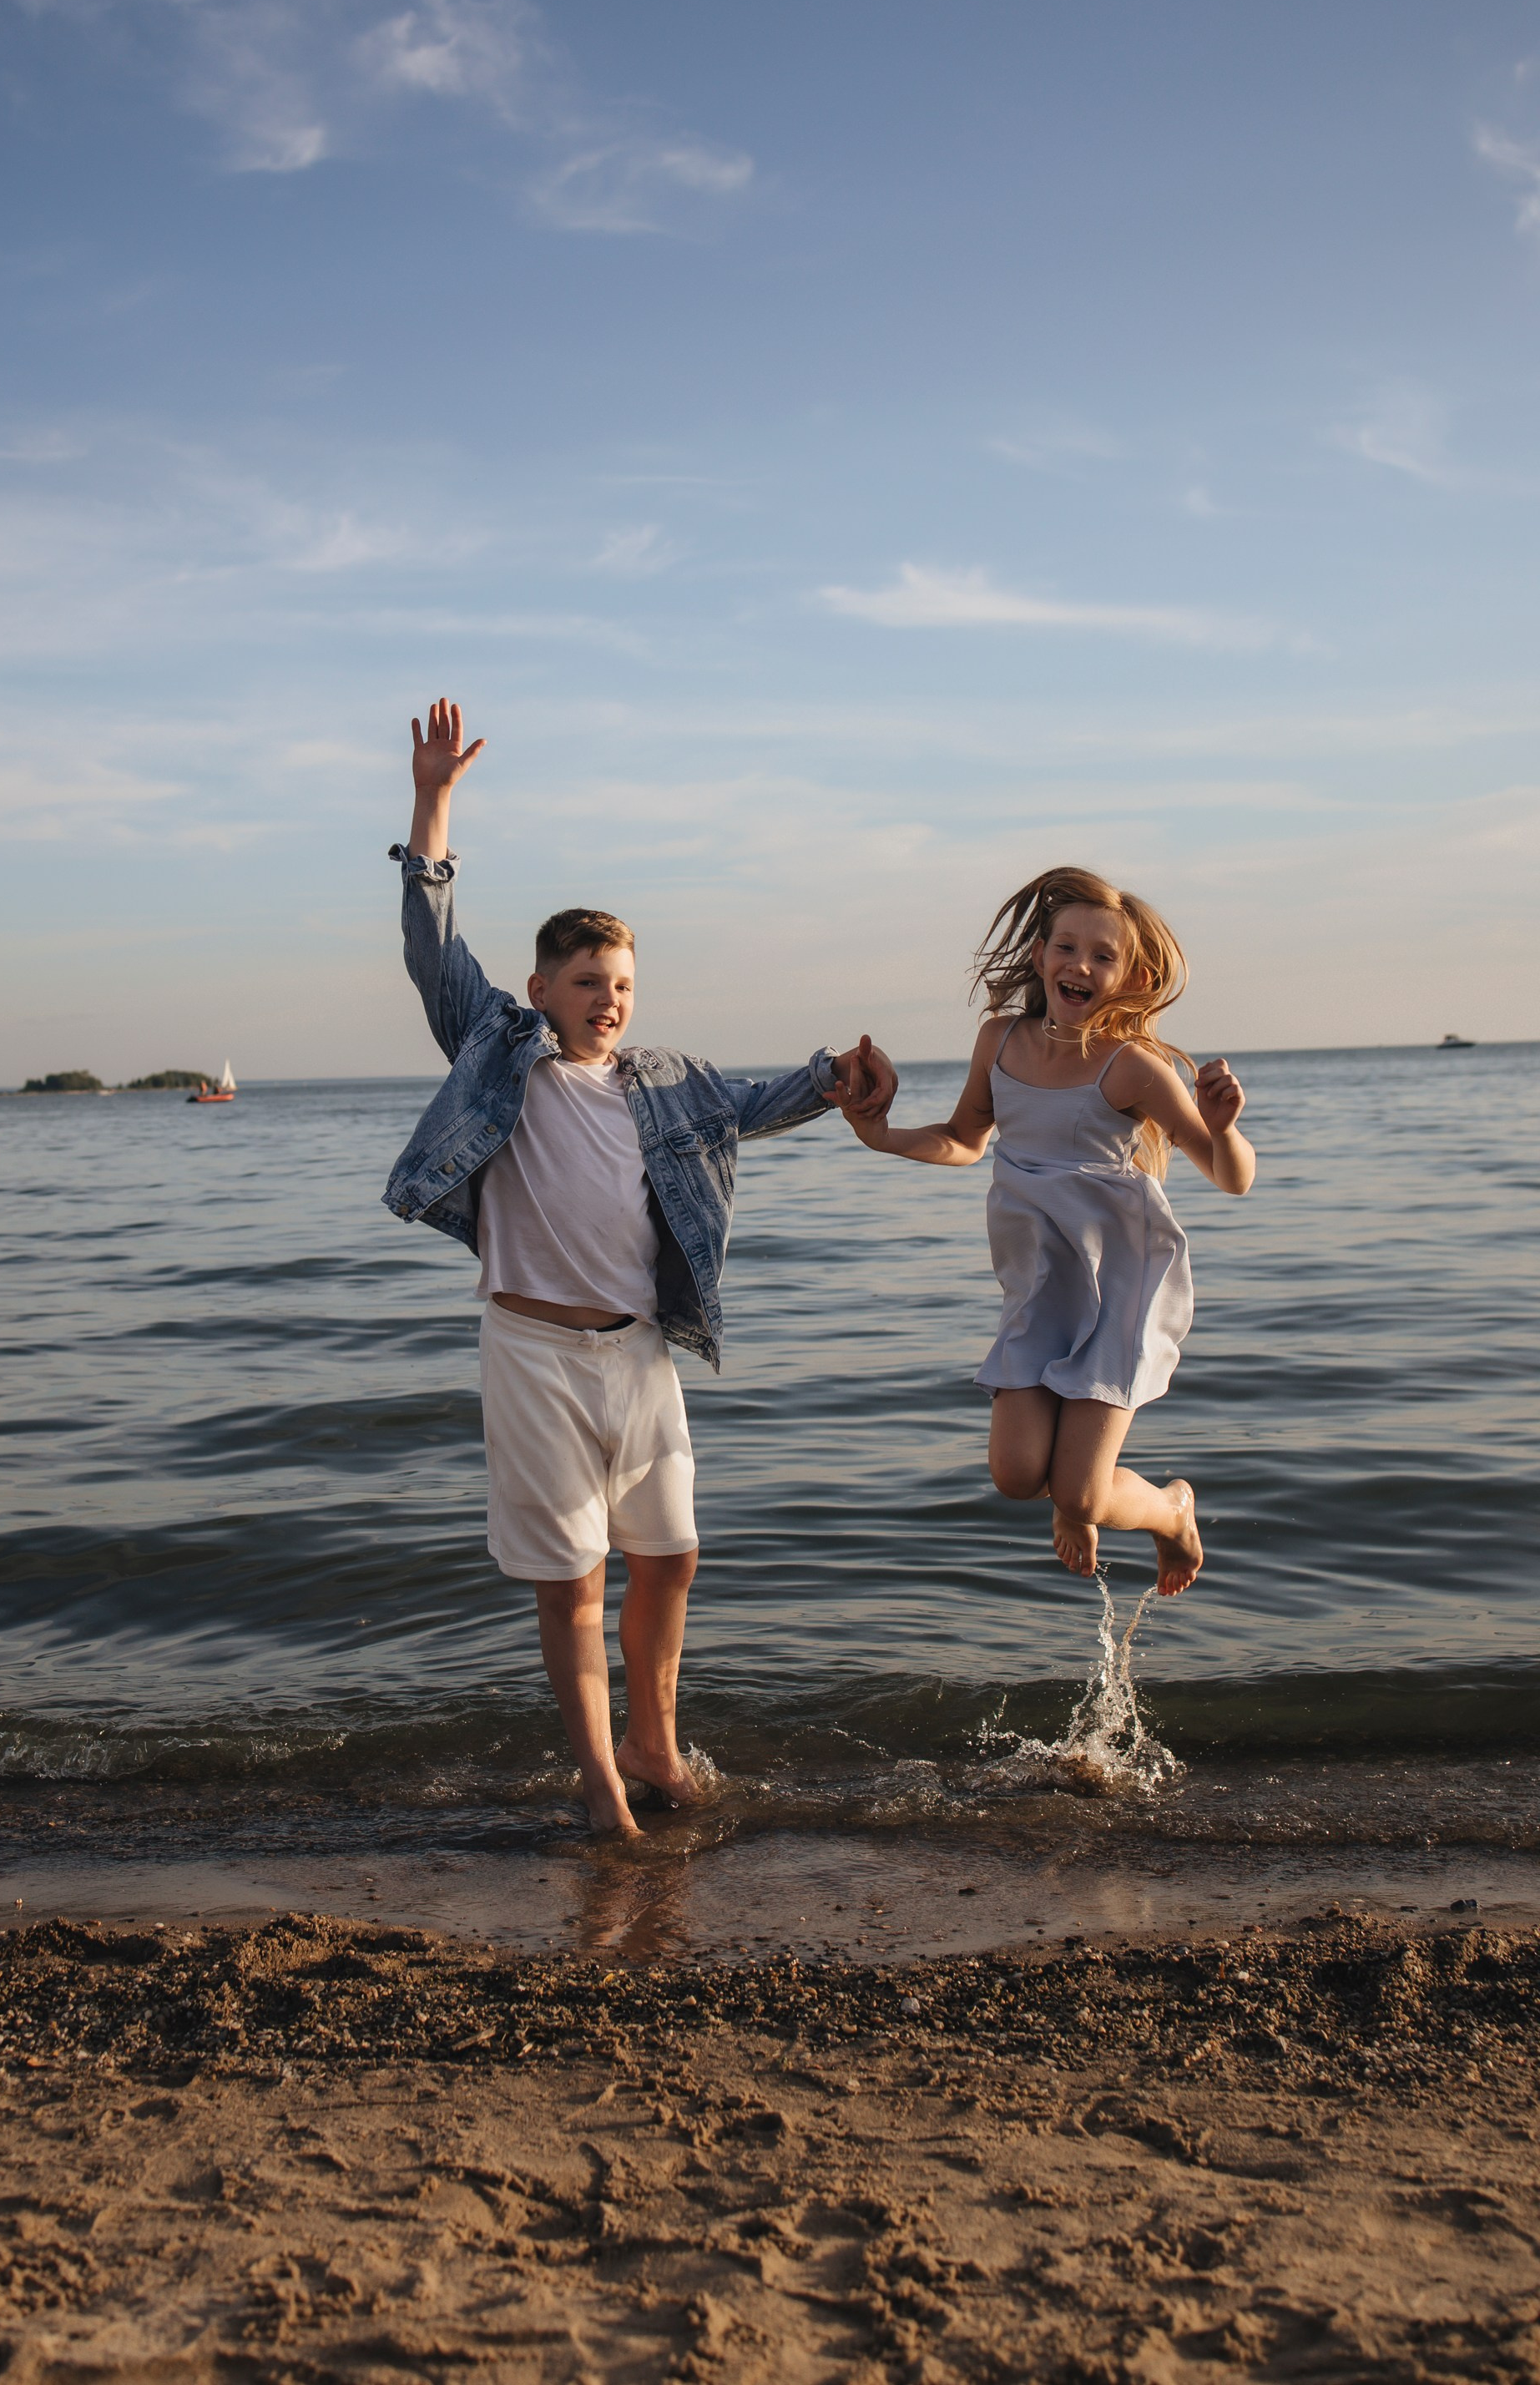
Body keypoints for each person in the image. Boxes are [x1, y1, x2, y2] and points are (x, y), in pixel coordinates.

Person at [386, 700, 897, 1837]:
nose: (608, 1000)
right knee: (571, 1588)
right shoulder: (496, 1048)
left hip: (639, 1353)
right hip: (533, 1353)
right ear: (540, 993)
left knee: (669, 1557)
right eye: (586, 982)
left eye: (620, 983)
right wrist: (435, 801)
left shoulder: (664, 1081)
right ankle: (603, 1785)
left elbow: (770, 1103)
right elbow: (432, 947)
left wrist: (844, 1073)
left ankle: (653, 1739)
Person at [838, 866, 1255, 1596]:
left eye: (1103, 956)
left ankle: (1170, 1511)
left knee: (1082, 1495)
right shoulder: (999, 1042)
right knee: (1015, 1474)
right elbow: (965, 1139)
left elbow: (1232, 1177)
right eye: (1067, 948)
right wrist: (881, 1136)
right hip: (1038, 1285)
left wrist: (1224, 1131)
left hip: (1121, 1286)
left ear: (1131, 976)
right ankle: (1071, 1500)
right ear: (1040, 957)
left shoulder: (1134, 1069)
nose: (1081, 965)